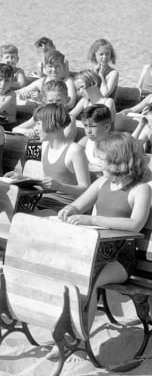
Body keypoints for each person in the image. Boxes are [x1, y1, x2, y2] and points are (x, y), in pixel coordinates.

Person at [56, 132, 150, 340]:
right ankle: (64, 328)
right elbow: (79, 204)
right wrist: (69, 209)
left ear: (119, 162)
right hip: (93, 250)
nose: (96, 164)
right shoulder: (101, 184)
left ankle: (79, 335)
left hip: (119, 258)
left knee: (88, 280)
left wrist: (94, 220)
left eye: (102, 160)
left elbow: (135, 224)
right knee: (61, 272)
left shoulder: (140, 189)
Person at [8, 104, 90, 212]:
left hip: (65, 207)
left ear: (50, 123)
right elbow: (46, 181)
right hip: (41, 201)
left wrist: (60, 186)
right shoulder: (45, 145)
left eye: (38, 124)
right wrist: (23, 179)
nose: (35, 128)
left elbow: (86, 190)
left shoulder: (75, 151)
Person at [12, 80, 77, 141]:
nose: (54, 104)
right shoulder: (41, 115)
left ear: (67, 100)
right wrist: (28, 131)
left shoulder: (69, 119)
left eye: (58, 101)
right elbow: (15, 129)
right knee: (32, 144)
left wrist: (42, 135)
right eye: (50, 101)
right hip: (37, 147)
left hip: (56, 151)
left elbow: (63, 141)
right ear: (45, 101)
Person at [78, 104, 113, 172]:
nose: (88, 131)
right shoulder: (86, 141)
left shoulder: (115, 146)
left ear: (107, 127)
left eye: (93, 126)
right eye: (85, 126)